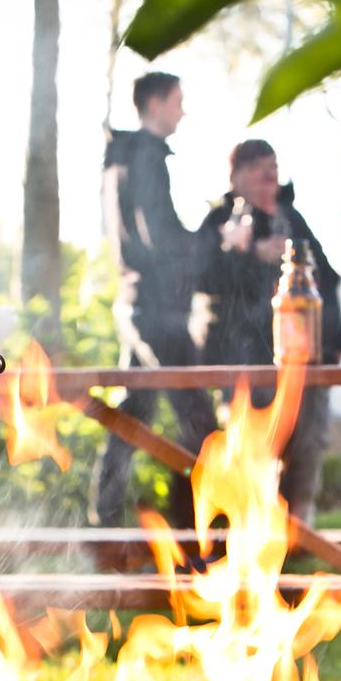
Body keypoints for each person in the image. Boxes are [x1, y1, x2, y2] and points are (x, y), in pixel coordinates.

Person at [194, 139, 341, 523]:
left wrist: (335, 341)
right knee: (252, 449)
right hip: (245, 359)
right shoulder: (220, 223)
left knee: (308, 440)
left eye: (273, 167)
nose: (270, 175)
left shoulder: (294, 220)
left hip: (302, 359)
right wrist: (247, 254)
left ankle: (299, 527)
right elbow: (201, 277)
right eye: (259, 168)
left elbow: (325, 282)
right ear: (237, 176)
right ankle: (253, 529)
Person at [92, 72, 219, 527]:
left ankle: (104, 529)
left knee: (131, 416)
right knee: (199, 420)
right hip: (158, 309)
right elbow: (160, 236)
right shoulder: (145, 155)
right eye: (178, 101)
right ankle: (197, 537)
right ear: (155, 103)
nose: (183, 111)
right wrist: (215, 237)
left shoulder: (121, 157)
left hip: (136, 303)